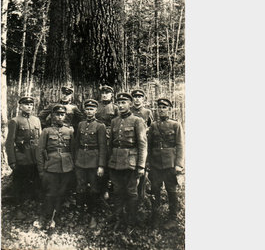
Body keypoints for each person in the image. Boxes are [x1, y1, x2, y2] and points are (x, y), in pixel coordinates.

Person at [107, 93, 147, 231]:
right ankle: (118, 218)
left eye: (124, 102)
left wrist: (141, 165)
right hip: (116, 162)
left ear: (130, 104)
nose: (121, 105)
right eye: (119, 102)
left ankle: (131, 221)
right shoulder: (114, 121)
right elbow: (111, 144)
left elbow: (142, 144)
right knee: (117, 191)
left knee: (131, 192)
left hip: (131, 163)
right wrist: (109, 162)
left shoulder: (137, 120)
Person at [36, 104, 76, 230]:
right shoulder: (46, 131)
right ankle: (46, 216)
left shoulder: (69, 131)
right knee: (50, 193)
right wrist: (41, 170)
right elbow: (40, 151)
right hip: (51, 167)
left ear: (65, 116)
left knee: (62, 192)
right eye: (57, 114)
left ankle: (56, 216)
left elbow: (73, 150)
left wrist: (73, 166)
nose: (59, 117)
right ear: (53, 116)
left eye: (62, 114)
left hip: (66, 167)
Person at [147, 98, 184, 230]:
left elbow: (180, 145)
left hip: (170, 164)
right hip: (156, 165)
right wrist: (148, 165)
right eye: (159, 107)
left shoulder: (175, 125)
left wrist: (179, 164)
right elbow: (149, 146)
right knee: (155, 191)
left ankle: (173, 219)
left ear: (169, 109)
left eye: (164, 107)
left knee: (171, 192)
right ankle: (155, 219)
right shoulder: (153, 126)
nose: (161, 110)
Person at [5, 96, 42, 220]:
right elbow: (9, 142)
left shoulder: (36, 120)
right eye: (26, 105)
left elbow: (40, 139)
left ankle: (34, 206)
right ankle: (18, 208)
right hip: (22, 157)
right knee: (19, 184)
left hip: (35, 157)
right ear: (20, 106)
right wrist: (12, 160)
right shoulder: (15, 121)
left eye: (31, 105)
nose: (29, 107)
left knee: (35, 182)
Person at [73, 99, 107, 228]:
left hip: (94, 161)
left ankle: (93, 215)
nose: (89, 111)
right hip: (80, 160)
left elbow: (103, 147)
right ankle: (80, 214)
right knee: (80, 187)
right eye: (87, 109)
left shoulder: (100, 126)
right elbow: (76, 144)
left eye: (92, 109)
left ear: (96, 111)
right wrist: (75, 160)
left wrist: (101, 165)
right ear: (84, 110)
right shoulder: (80, 124)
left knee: (94, 189)